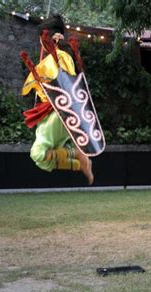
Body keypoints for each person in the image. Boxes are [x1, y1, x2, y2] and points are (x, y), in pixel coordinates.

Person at [20, 15, 93, 184]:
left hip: (58, 111)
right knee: (48, 153)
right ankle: (80, 163)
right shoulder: (52, 59)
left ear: (54, 38)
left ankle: (78, 155)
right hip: (51, 111)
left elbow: (67, 85)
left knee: (38, 153)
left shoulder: (60, 57)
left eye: (42, 37)